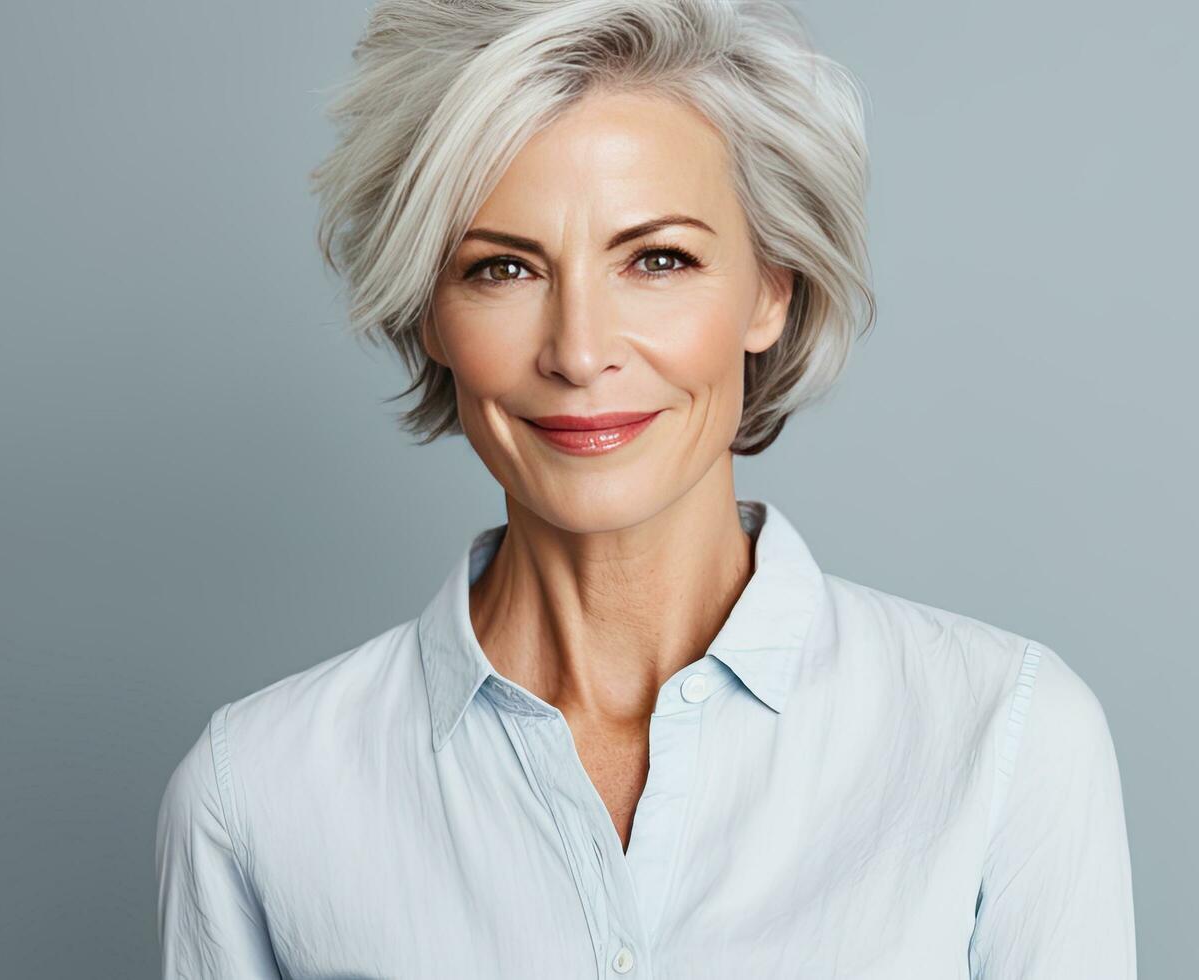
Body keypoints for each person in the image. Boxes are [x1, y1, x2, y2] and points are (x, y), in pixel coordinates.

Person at [154, 1, 1135, 976]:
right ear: (429, 318)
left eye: (656, 258)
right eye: (501, 267)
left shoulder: (1003, 739)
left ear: (769, 289)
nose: (578, 351)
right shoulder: (258, 793)